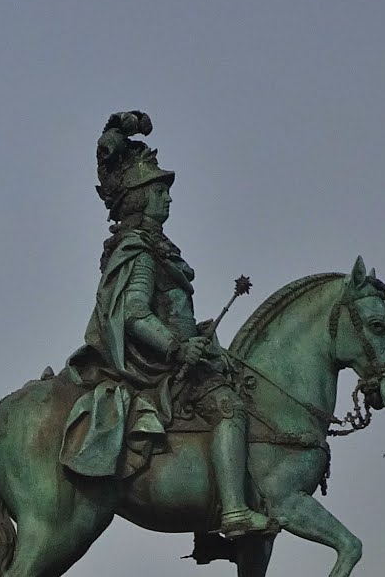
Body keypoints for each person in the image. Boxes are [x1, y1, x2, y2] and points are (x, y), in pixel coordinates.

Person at [61, 112, 272, 538]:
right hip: (158, 363)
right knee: (229, 408)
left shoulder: (155, 248)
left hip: (176, 352)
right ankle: (232, 511)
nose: (168, 199)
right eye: (160, 190)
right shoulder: (140, 252)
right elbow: (135, 315)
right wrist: (178, 348)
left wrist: (196, 333)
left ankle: (213, 520)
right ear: (140, 197)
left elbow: (165, 310)